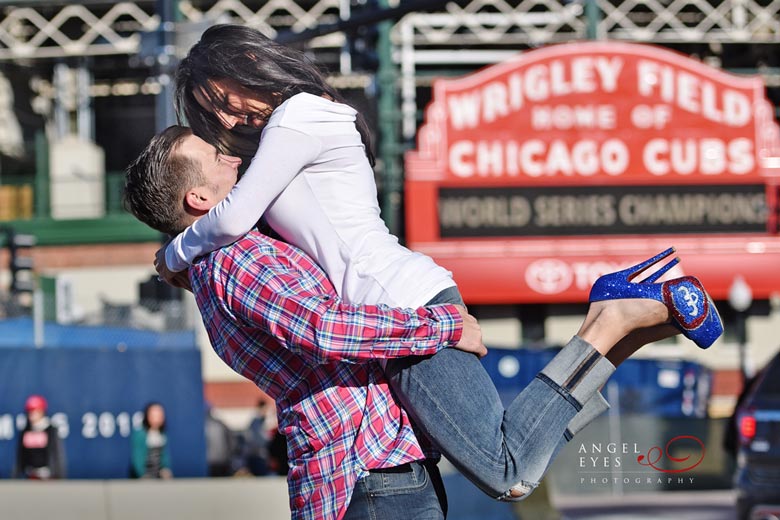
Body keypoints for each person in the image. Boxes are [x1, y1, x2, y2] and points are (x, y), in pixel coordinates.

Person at [124, 125, 722, 519]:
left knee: (512, 472)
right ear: (200, 203)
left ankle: (617, 325)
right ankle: (615, 323)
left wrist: (174, 256)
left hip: (373, 473)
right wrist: (442, 328)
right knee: (512, 473)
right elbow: (326, 327)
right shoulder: (238, 259)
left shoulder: (224, 253)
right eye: (216, 158)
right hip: (366, 477)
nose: (234, 157)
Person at [13, 394, 66, 479]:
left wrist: (58, 474)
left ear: (42, 411)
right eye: (30, 411)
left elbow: (57, 454)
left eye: (35, 411)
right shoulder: (25, 431)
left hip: (48, 477)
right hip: (30, 475)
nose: (32, 414)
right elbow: (20, 456)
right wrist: (17, 474)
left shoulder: (50, 430)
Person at [130, 402, 173, 479]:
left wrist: (165, 470)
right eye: (154, 414)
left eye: (160, 414)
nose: (157, 417)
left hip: (158, 478)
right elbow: (138, 458)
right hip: (144, 478)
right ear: (147, 415)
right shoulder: (140, 434)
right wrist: (142, 475)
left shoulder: (162, 434)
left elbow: (164, 457)